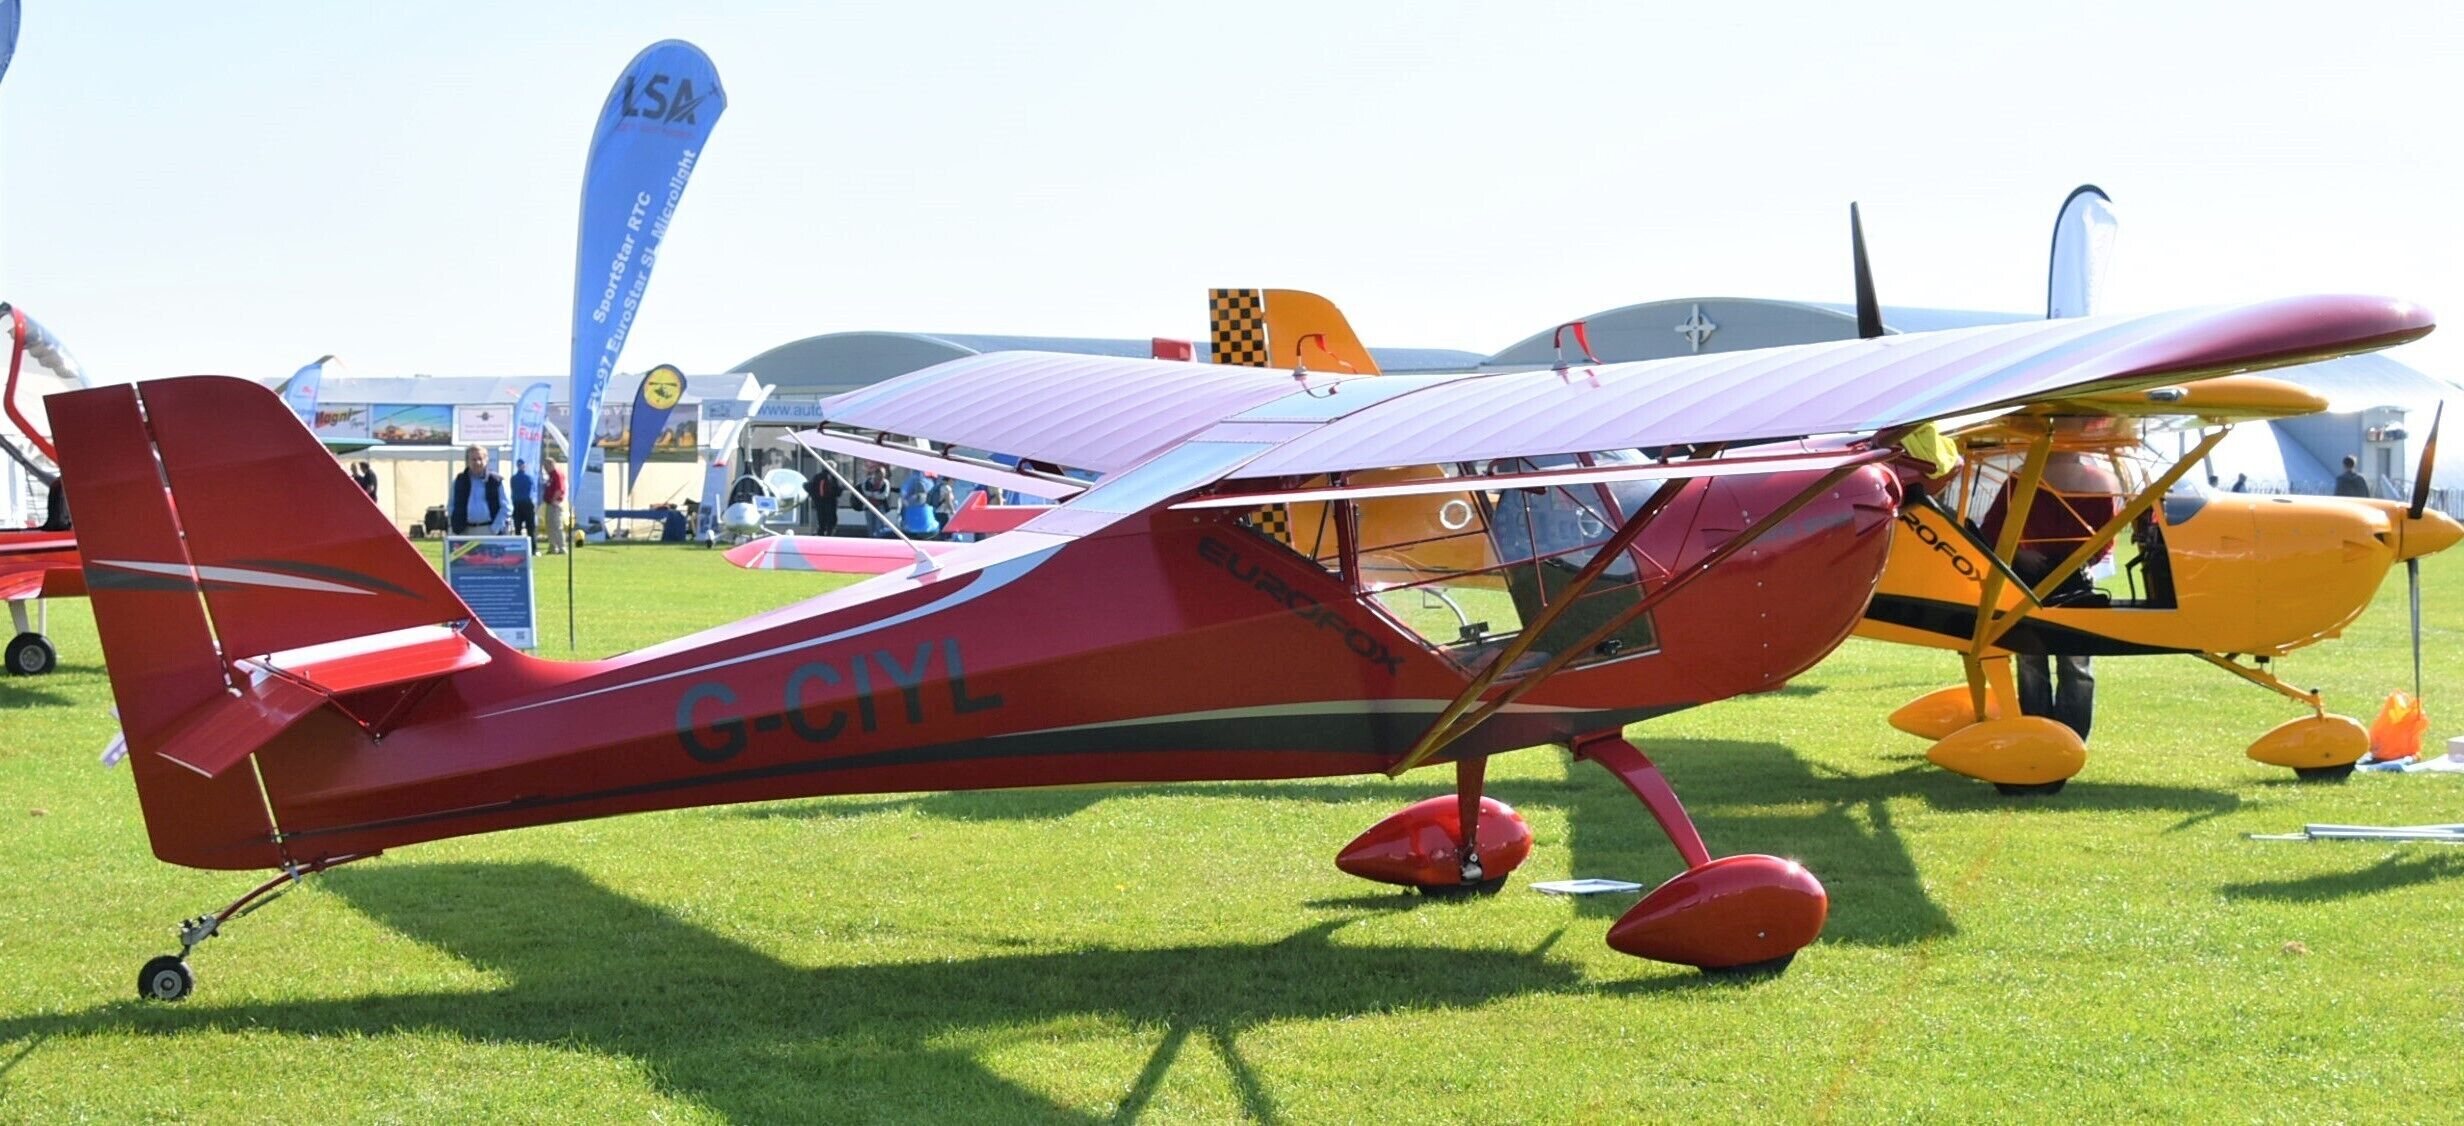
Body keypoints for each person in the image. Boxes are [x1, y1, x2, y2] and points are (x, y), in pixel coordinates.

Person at [1979, 447, 2120, 740]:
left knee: (2076, 663)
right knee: (2030, 660)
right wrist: (2019, 554)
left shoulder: (2098, 486)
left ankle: (2071, 738)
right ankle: (2036, 734)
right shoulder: (2020, 481)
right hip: (2029, 578)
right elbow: (1992, 531)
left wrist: (2080, 558)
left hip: (2074, 582)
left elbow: (2106, 539)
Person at [448, 444, 508, 535]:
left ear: (486, 460)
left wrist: (495, 528)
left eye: (480, 459)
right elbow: (451, 506)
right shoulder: (459, 481)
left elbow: (506, 507)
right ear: (467, 461)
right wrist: (456, 524)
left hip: (490, 530)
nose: (477, 462)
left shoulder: (496, 481)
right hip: (465, 531)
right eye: (474, 459)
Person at [805, 463, 844, 535]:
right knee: (831, 520)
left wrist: (815, 497)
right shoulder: (834, 477)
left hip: (819, 502)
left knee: (821, 520)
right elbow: (838, 491)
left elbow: (810, 487)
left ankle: (821, 534)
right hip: (831, 502)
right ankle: (829, 534)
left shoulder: (817, 477)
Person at [540, 460, 567, 554]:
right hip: (549, 504)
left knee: (557, 526)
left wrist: (552, 500)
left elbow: (559, 490)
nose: (545, 469)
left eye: (546, 466)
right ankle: (552, 547)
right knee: (550, 526)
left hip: (555, 504)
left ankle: (562, 547)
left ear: (551, 464)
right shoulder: (551, 476)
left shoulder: (557, 475)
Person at [858, 464, 893, 537]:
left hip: (880, 507)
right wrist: (874, 494)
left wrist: (873, 495)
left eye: (883, 475)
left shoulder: (885, 483)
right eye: (879, 475)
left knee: (879, 527)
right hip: (869, 507)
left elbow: (884, 495)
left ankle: (879, 541)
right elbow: (864, 491)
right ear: (876, 474)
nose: (881, 477)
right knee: (870, 527)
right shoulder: (868, 481)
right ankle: (871, 542)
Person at [509, 459, 538, 542]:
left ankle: (519, 547)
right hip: (526, 503)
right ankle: (533, 548)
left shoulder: (513, 478)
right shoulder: (529, 478)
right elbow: (533, 490)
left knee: (518, 528)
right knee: (530, 528)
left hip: (517, 504)